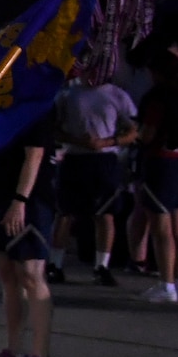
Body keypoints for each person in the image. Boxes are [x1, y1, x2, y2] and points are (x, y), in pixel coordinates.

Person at [0, 117, 57, 357]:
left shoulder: (34, 105)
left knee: (30, 274)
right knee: (8, 274)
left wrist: (20, 200)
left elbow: (35, 155)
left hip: (29, 199)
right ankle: (14, 351)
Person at [50, 77, 136, 286]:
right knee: (65, 213)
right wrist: (79, 141)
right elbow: (54, 128)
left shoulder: (116, 95)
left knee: (105, 213)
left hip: (105, 159)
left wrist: (108, 142)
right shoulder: (68, 94)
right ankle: (55, 265)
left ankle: (102, 266)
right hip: (75, 157)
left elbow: (133, 130)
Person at [134, 48, 178, 303]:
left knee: (161, 227)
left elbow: (148, 134)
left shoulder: (157, 97)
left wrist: (132, 134)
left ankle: (166, 283)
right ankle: (177, 279)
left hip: (163, 164)